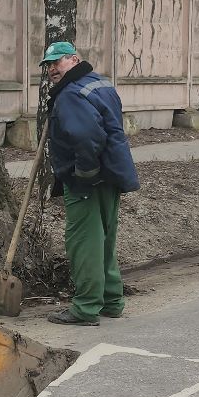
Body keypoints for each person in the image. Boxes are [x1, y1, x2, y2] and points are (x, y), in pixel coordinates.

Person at [40, 41, 139, 326]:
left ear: (74, 59)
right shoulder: (100, 84)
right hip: (112, 173)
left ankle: (85, 307)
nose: (52, 69)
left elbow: (86, 137)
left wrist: (84, 172)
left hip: (88, 179)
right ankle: (111, 300)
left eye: (57, 62)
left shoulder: (70, 94)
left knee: (84, 241)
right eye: (48, 65)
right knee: (105, 238)